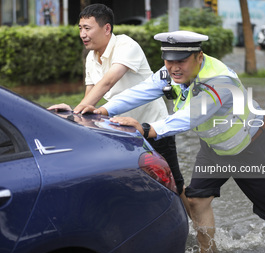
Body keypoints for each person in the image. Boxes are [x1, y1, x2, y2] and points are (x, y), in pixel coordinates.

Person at [79, 30, 265, 253]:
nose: (174, 67)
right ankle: (208, 251)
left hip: (252, 147)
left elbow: (190, 117)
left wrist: (147, 129)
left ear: (199, 57)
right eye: (168, 61)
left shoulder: (220, 82)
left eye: (181, 61)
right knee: (196, 200)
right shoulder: (171, 72)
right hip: (215, 147)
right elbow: (141, 91)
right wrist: (103, 109)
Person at [47, 4, 186, 201]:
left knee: (175, 186)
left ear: (107, 29)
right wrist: (73, 112)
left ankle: (194, 228)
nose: (82, 34)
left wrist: (75, 113)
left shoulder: (126, 45)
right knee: (137, 187)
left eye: (88, 28)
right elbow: (90, 100)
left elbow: (108, 81)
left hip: (153, 127)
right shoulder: (91, 58)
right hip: (124, 132)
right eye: (80, 28)